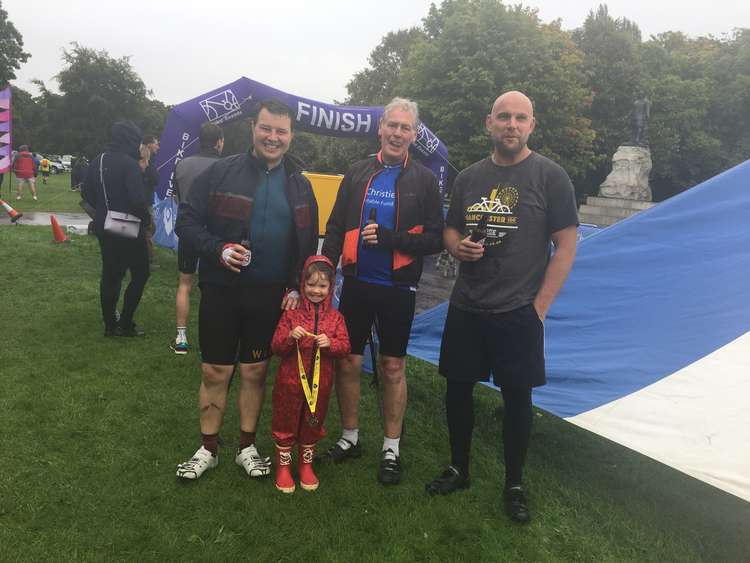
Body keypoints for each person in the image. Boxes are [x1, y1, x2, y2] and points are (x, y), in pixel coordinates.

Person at [425, 91, 578, 524]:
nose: (512, 124)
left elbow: (566, 244)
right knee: (457, 389)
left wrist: (540, 308)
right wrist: (459, 248)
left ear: (532, 125)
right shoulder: (469, 178)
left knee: (517, 399)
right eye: (504, 117)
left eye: (520, 118)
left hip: (519, 311)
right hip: (468, 306)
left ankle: (514, 482)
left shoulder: (551, 177)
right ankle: (459, 467)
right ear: (488, 123)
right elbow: (450, 231)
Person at [174, 98, 319, 480]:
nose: (273, 137)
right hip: (222, 289)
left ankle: (246, 447)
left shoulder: (300, 185)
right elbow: (186, 224)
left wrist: (295, 286)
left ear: (291, 135)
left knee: (255, 372)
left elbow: (305, 247)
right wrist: (218, 249)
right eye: (266, 129)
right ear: (252, 128)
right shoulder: (221, 172)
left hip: (270, 296)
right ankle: (208, 449)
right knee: (215, 372)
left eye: (281, 131)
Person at [321, 97, 444, 485]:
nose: (397, 133)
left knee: (392, 367)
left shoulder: (424, 179)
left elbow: (437, 239)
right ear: (380, 129)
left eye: (405, 128)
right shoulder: (357, 172)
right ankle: (351, 437)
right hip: (356, 284)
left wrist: (390, 239)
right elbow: (336, 226)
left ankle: (391, 448)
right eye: (392, 125)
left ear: (413, 134)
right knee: (348, 363)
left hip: (398, 287)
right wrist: (323, 273)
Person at [270, 255, 350, 493]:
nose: (316, 290)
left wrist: (331, 344)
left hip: (321, 385)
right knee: (285, 421)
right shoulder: (291, 315)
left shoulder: (336, 318)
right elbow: (275, 346)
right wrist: (288, 338)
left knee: (312, 422)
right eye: (311, 284)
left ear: (331, 287)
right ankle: (283, 468)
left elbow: (346, 347)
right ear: (302, 285)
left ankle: (305, 465)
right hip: (289, 383)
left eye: (322, 285)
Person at [81, 120, 152, 337]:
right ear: (131, 140)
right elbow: (137, 200)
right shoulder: (130, 164)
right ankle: (127, 323)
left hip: (105, 226)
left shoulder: (97, 161)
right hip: (130, 229)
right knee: (140, 273)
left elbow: (86, 194)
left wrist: (104, 210)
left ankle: (110, 324)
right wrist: (147, 221)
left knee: (110, 275)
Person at [171, 123, 224, 355]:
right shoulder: (224, 166)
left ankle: (181, 337)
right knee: (212, 287)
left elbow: (177, 198)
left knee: (185, 284)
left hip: (189, 232)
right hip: (214, 234)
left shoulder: (181, 164)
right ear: (219, 141)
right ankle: (213, 337)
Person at [142, 135, 160, 266]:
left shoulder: (151, 160)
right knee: (148, 228)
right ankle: (147, 260)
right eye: (156, 144)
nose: (158, 147)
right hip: (144, 200)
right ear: (149, 145)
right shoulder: (144, 159)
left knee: (150, 228)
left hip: (147, 199)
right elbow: (154, 178)